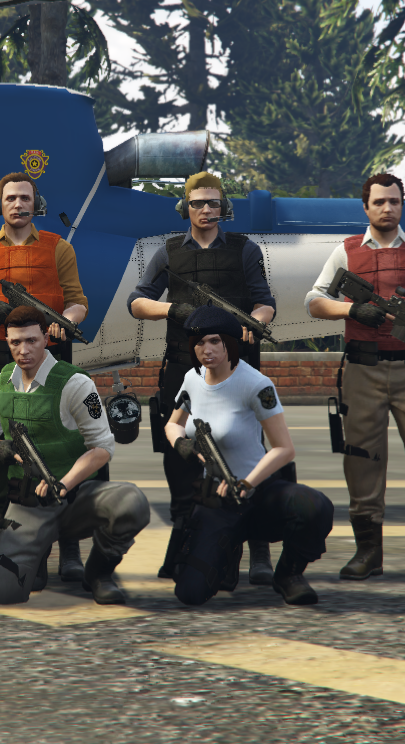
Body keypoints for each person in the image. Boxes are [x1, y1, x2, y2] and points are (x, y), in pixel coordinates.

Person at [128, 170, 277, 584]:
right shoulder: (169, 252)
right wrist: (173, 310)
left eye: (213, 203)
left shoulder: (245, 250)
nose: (206, 210)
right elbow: (137, 302)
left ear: (223, 207)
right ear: (185, 208)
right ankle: (185, 546)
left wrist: (254, 322)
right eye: (197, 203)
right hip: (183, 367)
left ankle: (258, 549)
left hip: (236, 369)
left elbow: (265, 301)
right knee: (181, 458)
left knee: (248, 454)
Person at [0, 172, 91, 582]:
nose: (19, 204)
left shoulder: (59, 248)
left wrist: (64, 321)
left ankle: (70, 544)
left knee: (65, 443)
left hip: (52, 360)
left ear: (36, 204)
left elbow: (78, 301)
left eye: (25, 198)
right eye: (11, 198)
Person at [304, 172, 405, 580]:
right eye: (379, 202)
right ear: (365, 207)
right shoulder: (346, 250)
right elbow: (314, 301)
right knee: (362, 460)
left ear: (402, 205)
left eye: (394, 201)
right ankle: (368, 551)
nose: (387, 208)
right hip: (362, 369)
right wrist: (352, 310)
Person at [0, 306, 151, 606]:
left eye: (31, 340)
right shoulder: (5, 379)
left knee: (131, 502)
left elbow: (102, 447)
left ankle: (99, 573)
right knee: (0, 593)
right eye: (15, 342)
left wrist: (64, 483)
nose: (23, 350)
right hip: (28, 504)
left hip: (75, 499)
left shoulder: (76, 383)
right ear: (7, 342)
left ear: (46, 338)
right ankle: (37, 555)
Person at [164, 307, 333, 606]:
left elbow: (284, 449)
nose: (206, 350)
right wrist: (182, 445)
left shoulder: (256, 384)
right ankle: (227, 553)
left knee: (314, 506)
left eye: (215, 341)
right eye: (200, 342)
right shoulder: (192, 379)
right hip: (217, 498)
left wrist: (246, 483)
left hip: (258, 491)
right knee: (190, 593)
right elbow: (172, 424)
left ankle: (289, 574)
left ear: (230, 343)